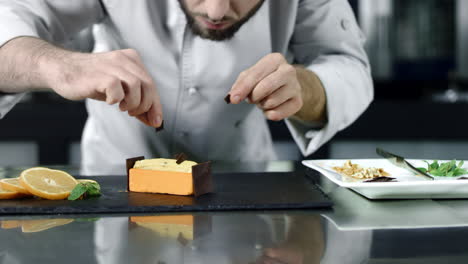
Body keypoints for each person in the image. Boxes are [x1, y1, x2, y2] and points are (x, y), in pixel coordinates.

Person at [0, 0, 372, 175]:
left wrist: (308, 89)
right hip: (113, 184)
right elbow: (9, 21)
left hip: (243, 193)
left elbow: (348, 65)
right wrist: (60, 65)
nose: (215, 11)